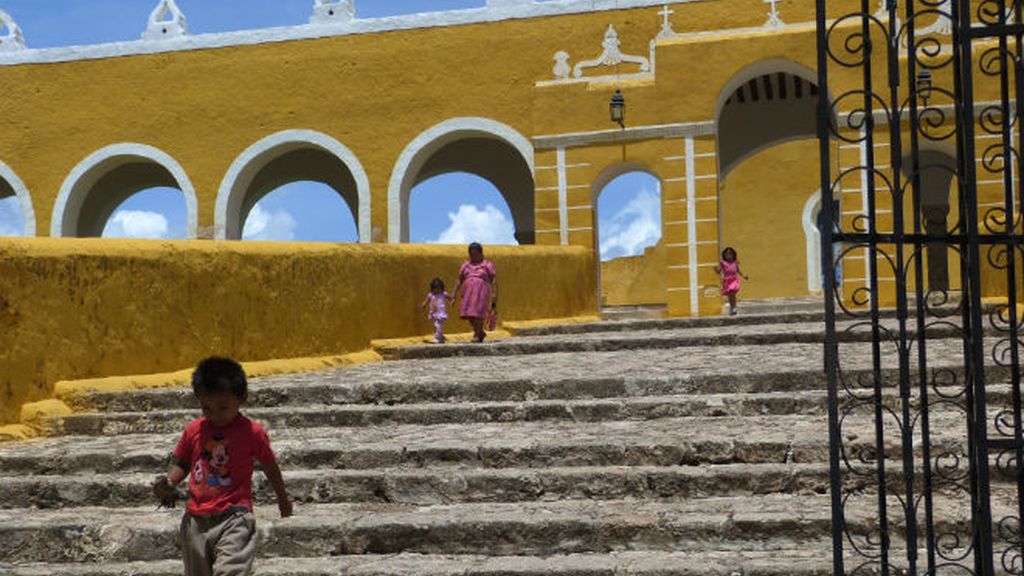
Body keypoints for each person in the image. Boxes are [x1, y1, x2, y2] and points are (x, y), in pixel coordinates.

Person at [152, 357, 292, 576]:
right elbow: (183, 462)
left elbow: (270, 467)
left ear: (242, 398)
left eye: (223, 407)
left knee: (231, 571)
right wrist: (169, 482)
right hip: (195, 521)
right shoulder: (194, 430)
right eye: (206, 407)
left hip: (235, 516)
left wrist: (283, 500)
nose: (215, 415)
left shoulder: (252, 432)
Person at [453, 242, 498, 342]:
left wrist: (495, 293)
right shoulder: (465, 265)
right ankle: (480, 332)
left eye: (476, 254)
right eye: (471, 254)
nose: (473, 256)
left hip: (481, 292)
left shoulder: (487, 265)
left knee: (478, 313)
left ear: (481, 253)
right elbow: (459, 279)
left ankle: (477, 335)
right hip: (468, 293)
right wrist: (454, 293)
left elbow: (493, 279)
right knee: (468, 314)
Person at [714, 246, 749, 316]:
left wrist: (744, 276)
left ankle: (734, 307)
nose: (729, 256)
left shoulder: (735, 262)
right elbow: (719, 271)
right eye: (727, 254)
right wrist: (716, 269)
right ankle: (732, 307)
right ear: (724, 255)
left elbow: (738, 270)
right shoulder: (723, 263)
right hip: (727, 280)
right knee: (730, 295)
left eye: (730, 254)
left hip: (734, 279)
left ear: (733, 255)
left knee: (732, 293)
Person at [420, 277, 454, 343]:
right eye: (435, 289)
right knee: (436, 326)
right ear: (432, 289)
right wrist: (424, 304)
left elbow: (450, 297)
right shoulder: (431, 295)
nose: (437, 290)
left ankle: (437, 338)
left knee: (439, 326)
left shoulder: (443, 294)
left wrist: (452, 300)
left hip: (440, 313)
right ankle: (441, 337)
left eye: (439, 288)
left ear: (442, 288)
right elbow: (426, 301)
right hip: (433, 313)